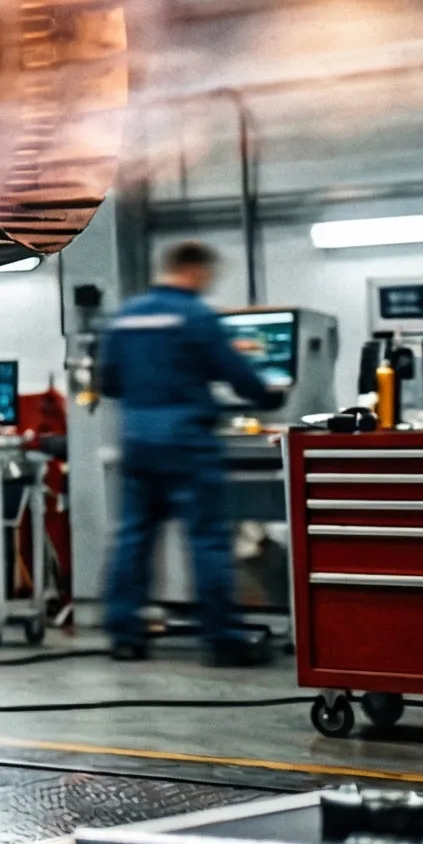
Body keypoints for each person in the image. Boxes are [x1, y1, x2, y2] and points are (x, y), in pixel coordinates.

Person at [99, 239, 281, 666]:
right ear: (194, 270)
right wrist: (268, 397)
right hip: (186, 442)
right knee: (207, 539)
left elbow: (109, 383)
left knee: (133, 537)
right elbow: (238, 376)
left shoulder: (125, 317)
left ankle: (124, 635)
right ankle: (222, 640)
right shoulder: (196, 316)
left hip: (138, 440)